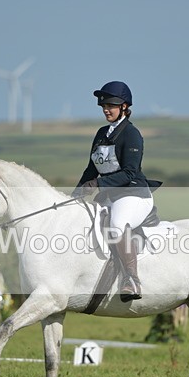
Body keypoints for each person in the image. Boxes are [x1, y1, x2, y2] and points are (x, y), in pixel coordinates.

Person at [73, 81, 161, 302]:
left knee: (117, 224)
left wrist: (99, 184)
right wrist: (75, 194)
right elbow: (91, 168)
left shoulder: (131, 134)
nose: (106, 109)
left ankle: (132, 280)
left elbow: (130, 173)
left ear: (124, 107)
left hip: (134, 195)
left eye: (111, 105)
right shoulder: (102, 133)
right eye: (103, 105)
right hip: (110, 196)